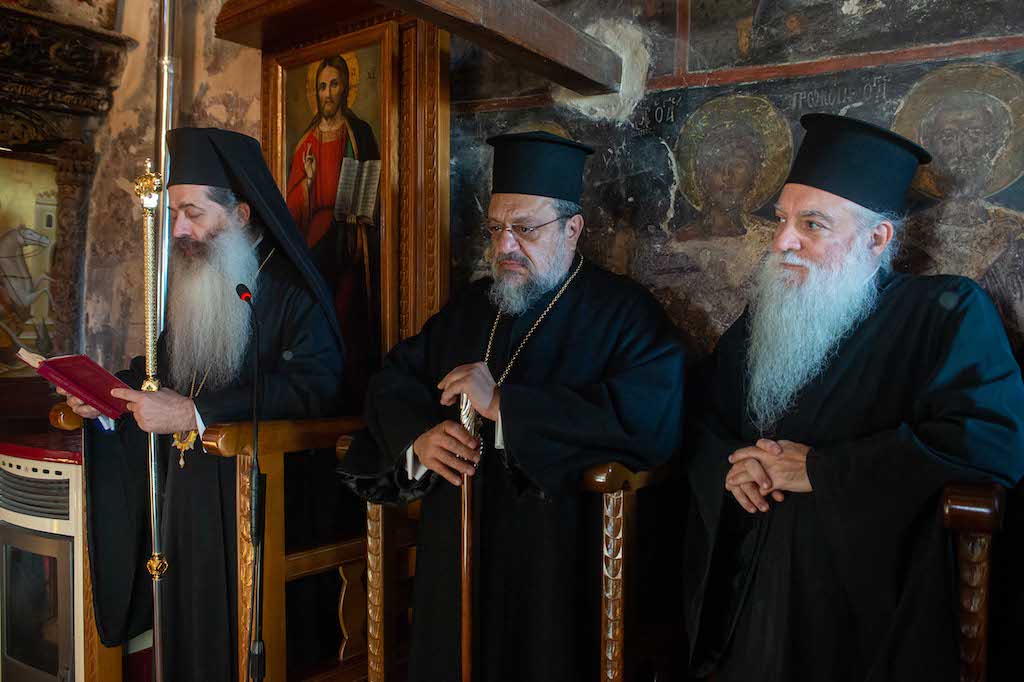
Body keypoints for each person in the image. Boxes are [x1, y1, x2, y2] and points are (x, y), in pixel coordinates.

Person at [683, 113, 1024, 681]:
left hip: (862, 612)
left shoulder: (944, 311)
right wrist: (733, 466)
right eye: (782, 219)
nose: (782, 241)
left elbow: (991, 442)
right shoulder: (766, 313)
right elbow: (702, 414)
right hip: (746, 595)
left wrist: (821, 470)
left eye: (812, 224)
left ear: (877, 237)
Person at [339, 131, 685, 681]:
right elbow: (392, 379)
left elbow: (648, 420)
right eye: (496, 228)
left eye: (525, 229)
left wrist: (504, 405)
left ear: (572, 229)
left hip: (555, 563)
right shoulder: (471, 308)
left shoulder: (625, 315)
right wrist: (420, 437)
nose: (505, 246)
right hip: (456, 549)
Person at [59, 127, 345, 681]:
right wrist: (104, 394)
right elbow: (161, 370)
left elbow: (314, 388)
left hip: (259, 507)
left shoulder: (292, 292)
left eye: (192, 213)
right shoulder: (198, 281)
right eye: (173, 214)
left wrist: (194, 414)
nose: (178, 230)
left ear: (240, 214)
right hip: (186, 498)